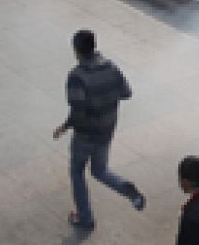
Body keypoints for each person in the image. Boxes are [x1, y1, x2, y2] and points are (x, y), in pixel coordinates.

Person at [52, 29, 144, 230]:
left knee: (77, 171)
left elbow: (78, 112)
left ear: (76, 50)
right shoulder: (111, 67)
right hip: (106, 130)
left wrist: (64, 126)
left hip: (85, 135)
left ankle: (85, 217)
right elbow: (126, 93)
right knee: (100, 170)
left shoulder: (77, 76)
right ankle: (126, 188)